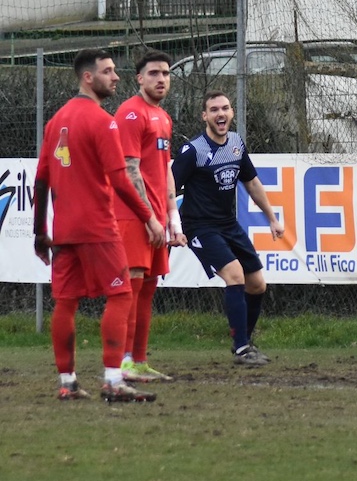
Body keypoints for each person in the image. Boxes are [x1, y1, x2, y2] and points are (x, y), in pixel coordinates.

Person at [33, 48, 164, 402]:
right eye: (108, 71)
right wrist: (148, 217)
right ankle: (112, 379)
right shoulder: (103, 120)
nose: (116, 76)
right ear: (87, 77)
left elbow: (41, 181)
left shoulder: (55, 120)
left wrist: (39, 233)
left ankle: (67, 382)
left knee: (65, 302)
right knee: (121, 295)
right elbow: (121, 180)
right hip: (99, 229)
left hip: (63, 231)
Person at [171, 91, 285, 366]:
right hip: (199, 226)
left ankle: (245, 341)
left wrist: (272, 217)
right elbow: (168, 190)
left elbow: (252, 182)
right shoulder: (193, 151)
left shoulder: (235, 143)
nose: (220, 114)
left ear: (232, 112)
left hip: (227, 224)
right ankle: (241, 348)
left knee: (257, 284)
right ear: (205, 116)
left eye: (225, 108)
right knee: (235, 275)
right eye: (214, 110)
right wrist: (172, 226)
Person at [114, 49, 187, 384]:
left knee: (148, 288)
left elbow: (165, 170)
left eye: (166, 73)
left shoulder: (163, 117)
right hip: (133, 217)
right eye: (154, 73)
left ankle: (139, 360)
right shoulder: (131, 113)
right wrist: (148, 217)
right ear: (139, 78)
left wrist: (173, 219)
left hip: (155, 217)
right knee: (131, 286)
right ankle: (123, 360)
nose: (161, 79)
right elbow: (130, 171)